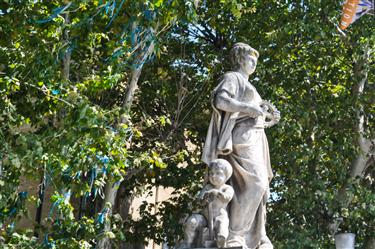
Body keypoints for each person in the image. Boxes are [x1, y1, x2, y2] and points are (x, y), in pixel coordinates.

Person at [202, 42, 280, 249]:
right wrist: (249, 108)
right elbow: (221, 101)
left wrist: (264, 116)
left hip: (257, 137)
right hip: (242, 136)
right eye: (251, 59)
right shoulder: (232, 78)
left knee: (261, 189)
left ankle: (257, 235)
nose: (254, 64)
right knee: (257, 183)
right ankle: (236, 235)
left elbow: (258, 112)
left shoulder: (249, 84)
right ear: (240, 59)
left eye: (256, 61)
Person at [180, 159, 234, 248]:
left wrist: (217, 193)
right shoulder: (207, 187)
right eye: (211, 173)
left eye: (218, 173)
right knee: (192, 221)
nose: (213, 176)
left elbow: (227, 198)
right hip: (205, 218)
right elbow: (200, 202)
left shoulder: (227, 188)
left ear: (226, 176)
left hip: (219, 216)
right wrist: (204, 200)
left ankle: (221, 240)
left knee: (222, 223)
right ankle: (187, 243)